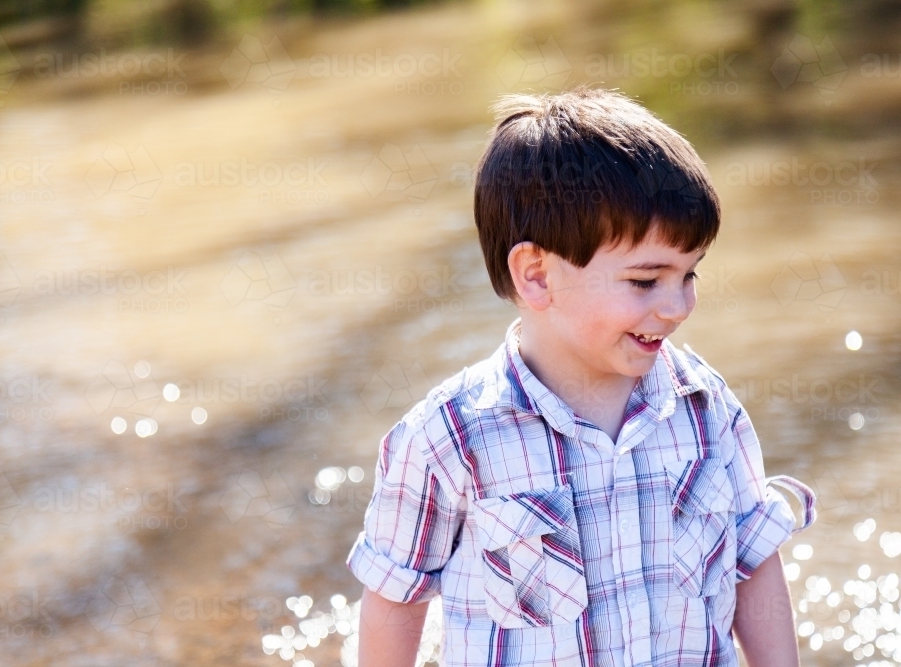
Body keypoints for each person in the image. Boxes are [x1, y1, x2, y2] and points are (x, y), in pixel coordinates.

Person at [346, 85, 816, 667]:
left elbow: (752, 560)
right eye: (646, 281)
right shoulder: (452, 440)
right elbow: (395, 594)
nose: (677, 306)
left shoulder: (704, 406)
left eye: (689, 275)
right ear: (537, 275)